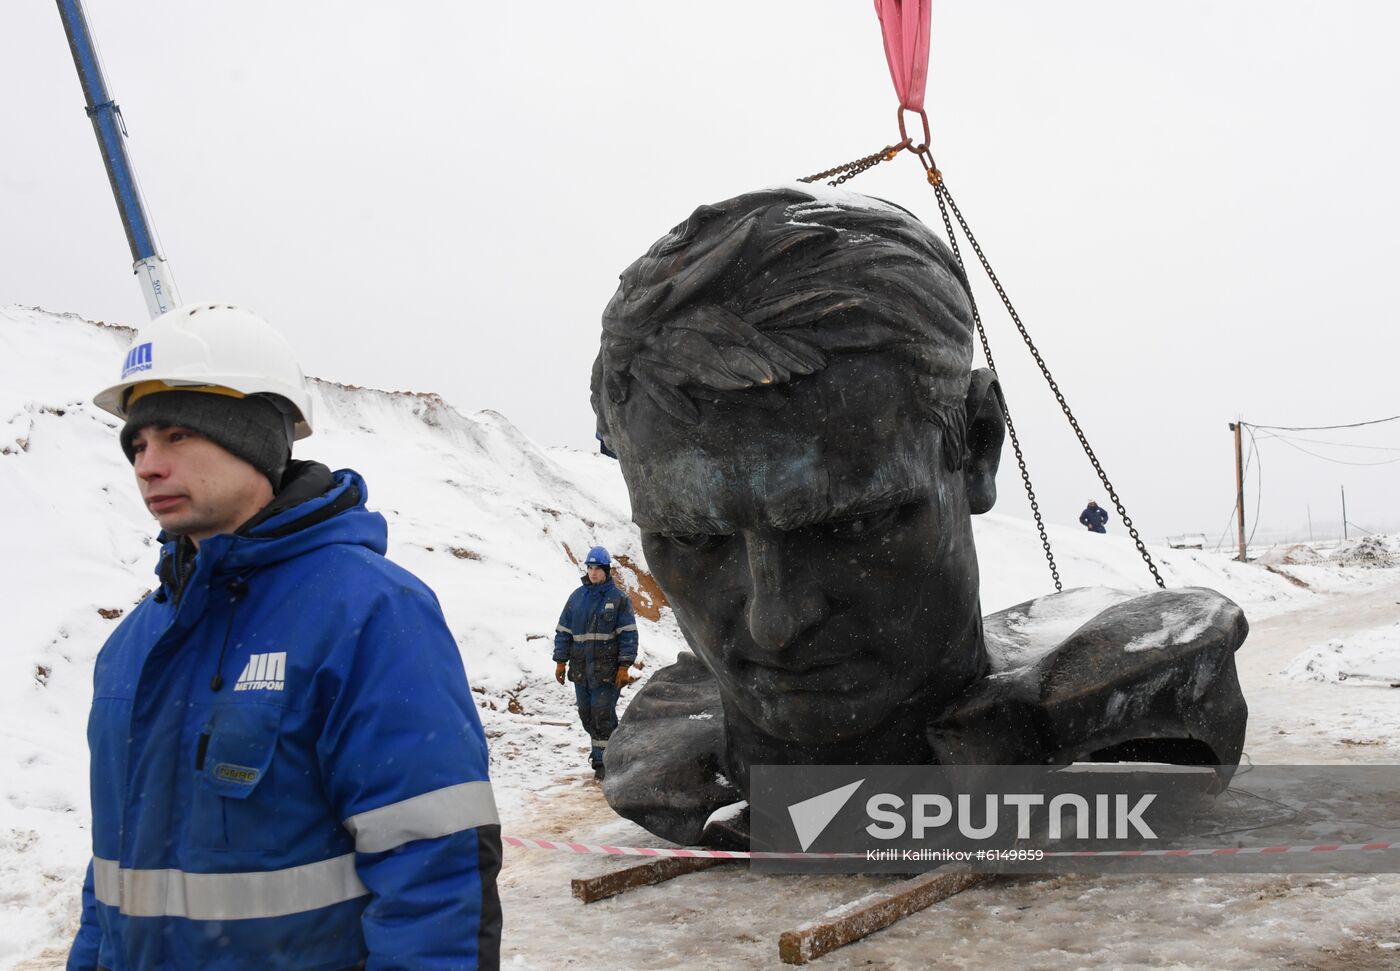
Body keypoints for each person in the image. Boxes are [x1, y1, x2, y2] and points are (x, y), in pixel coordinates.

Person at [69, 304, 502, 971]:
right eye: (137, 443)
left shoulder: (371, 614)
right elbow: (110, 883)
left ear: (254, 438)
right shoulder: (132, 646)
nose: (147, 464)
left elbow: (433, 874)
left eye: (177, 434)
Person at [553, 546, 638, 779]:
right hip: (581, 670)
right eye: (590, 568)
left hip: (606, 671)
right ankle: (603, 756)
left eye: (597, 568)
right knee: (587, 714)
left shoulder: (618, 599)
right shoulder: (576, 598)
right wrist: (560, 661)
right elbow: (563, 631)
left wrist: (624, 666)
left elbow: (628, 634)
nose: (593, 573)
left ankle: (606, 763)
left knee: (603, 714)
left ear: (606, 570)